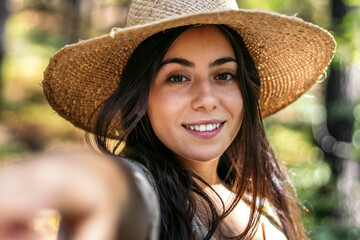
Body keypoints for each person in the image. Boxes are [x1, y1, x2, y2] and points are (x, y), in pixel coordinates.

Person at [0, 0, 336, 239]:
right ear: (142, 98)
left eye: (224, 75)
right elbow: (116, 190)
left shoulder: (261, 204)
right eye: (177, 77)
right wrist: (52, 181)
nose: (206, 99)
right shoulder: (148, 195)